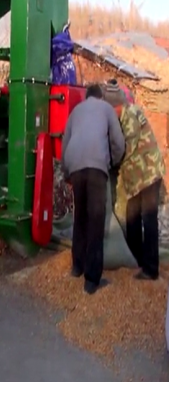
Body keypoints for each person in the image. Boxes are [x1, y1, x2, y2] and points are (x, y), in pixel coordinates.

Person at [62, 83, 126, 294]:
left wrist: (66, 172)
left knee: (80, 217)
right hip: (97, 167)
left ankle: (76, 266)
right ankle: (91, 280)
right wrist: (113, 163)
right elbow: (118, 142)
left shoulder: (75, 111)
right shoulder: (106, 108)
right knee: (96, 221)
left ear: (86, 97)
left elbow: (65, 142)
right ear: (100, 97)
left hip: (76, 166)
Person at [103, 84, 165, 281]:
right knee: (132, 217)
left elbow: (125, 149)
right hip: (139, 178)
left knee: (148, 219)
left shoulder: (129, 117)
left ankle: (151, 269)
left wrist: (108, 163)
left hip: (148, 175)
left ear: (116, 107)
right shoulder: (123, 116)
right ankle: (137, 260)